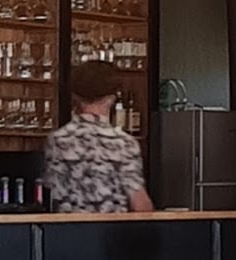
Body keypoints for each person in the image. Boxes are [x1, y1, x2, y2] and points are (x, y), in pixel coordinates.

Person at [40, 85, 153, 215]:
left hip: (67, 226)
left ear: (74, 98)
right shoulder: (124, 143)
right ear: (111, 99)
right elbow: (139, 204)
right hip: (112, 226)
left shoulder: (56, 140)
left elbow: (50, 195)